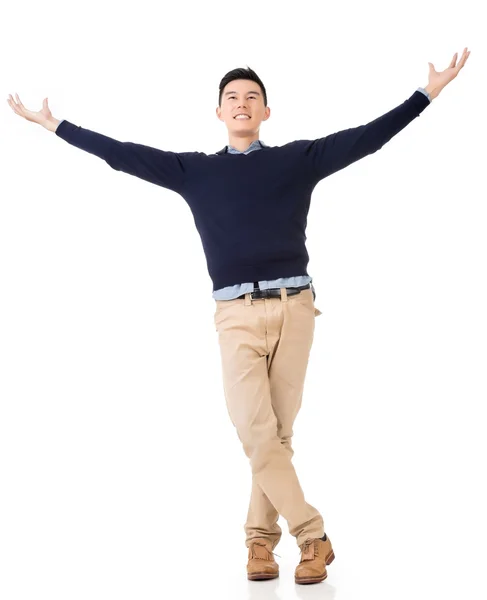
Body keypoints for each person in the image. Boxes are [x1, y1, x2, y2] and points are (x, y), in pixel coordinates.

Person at [7, 47, 470, 585]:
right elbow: (122, 153)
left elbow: (366, 138)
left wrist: (426, 94)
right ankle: (313, 536)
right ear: (220, 113)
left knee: (276, 434)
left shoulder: (298, 160)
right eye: (233, 98)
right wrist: (55, 124)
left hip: (296, 309)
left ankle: (258, 545)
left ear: (266, 112)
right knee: (255, 430)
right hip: (235, 316)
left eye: (253, 97)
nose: (243, 103)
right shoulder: (193, 171)